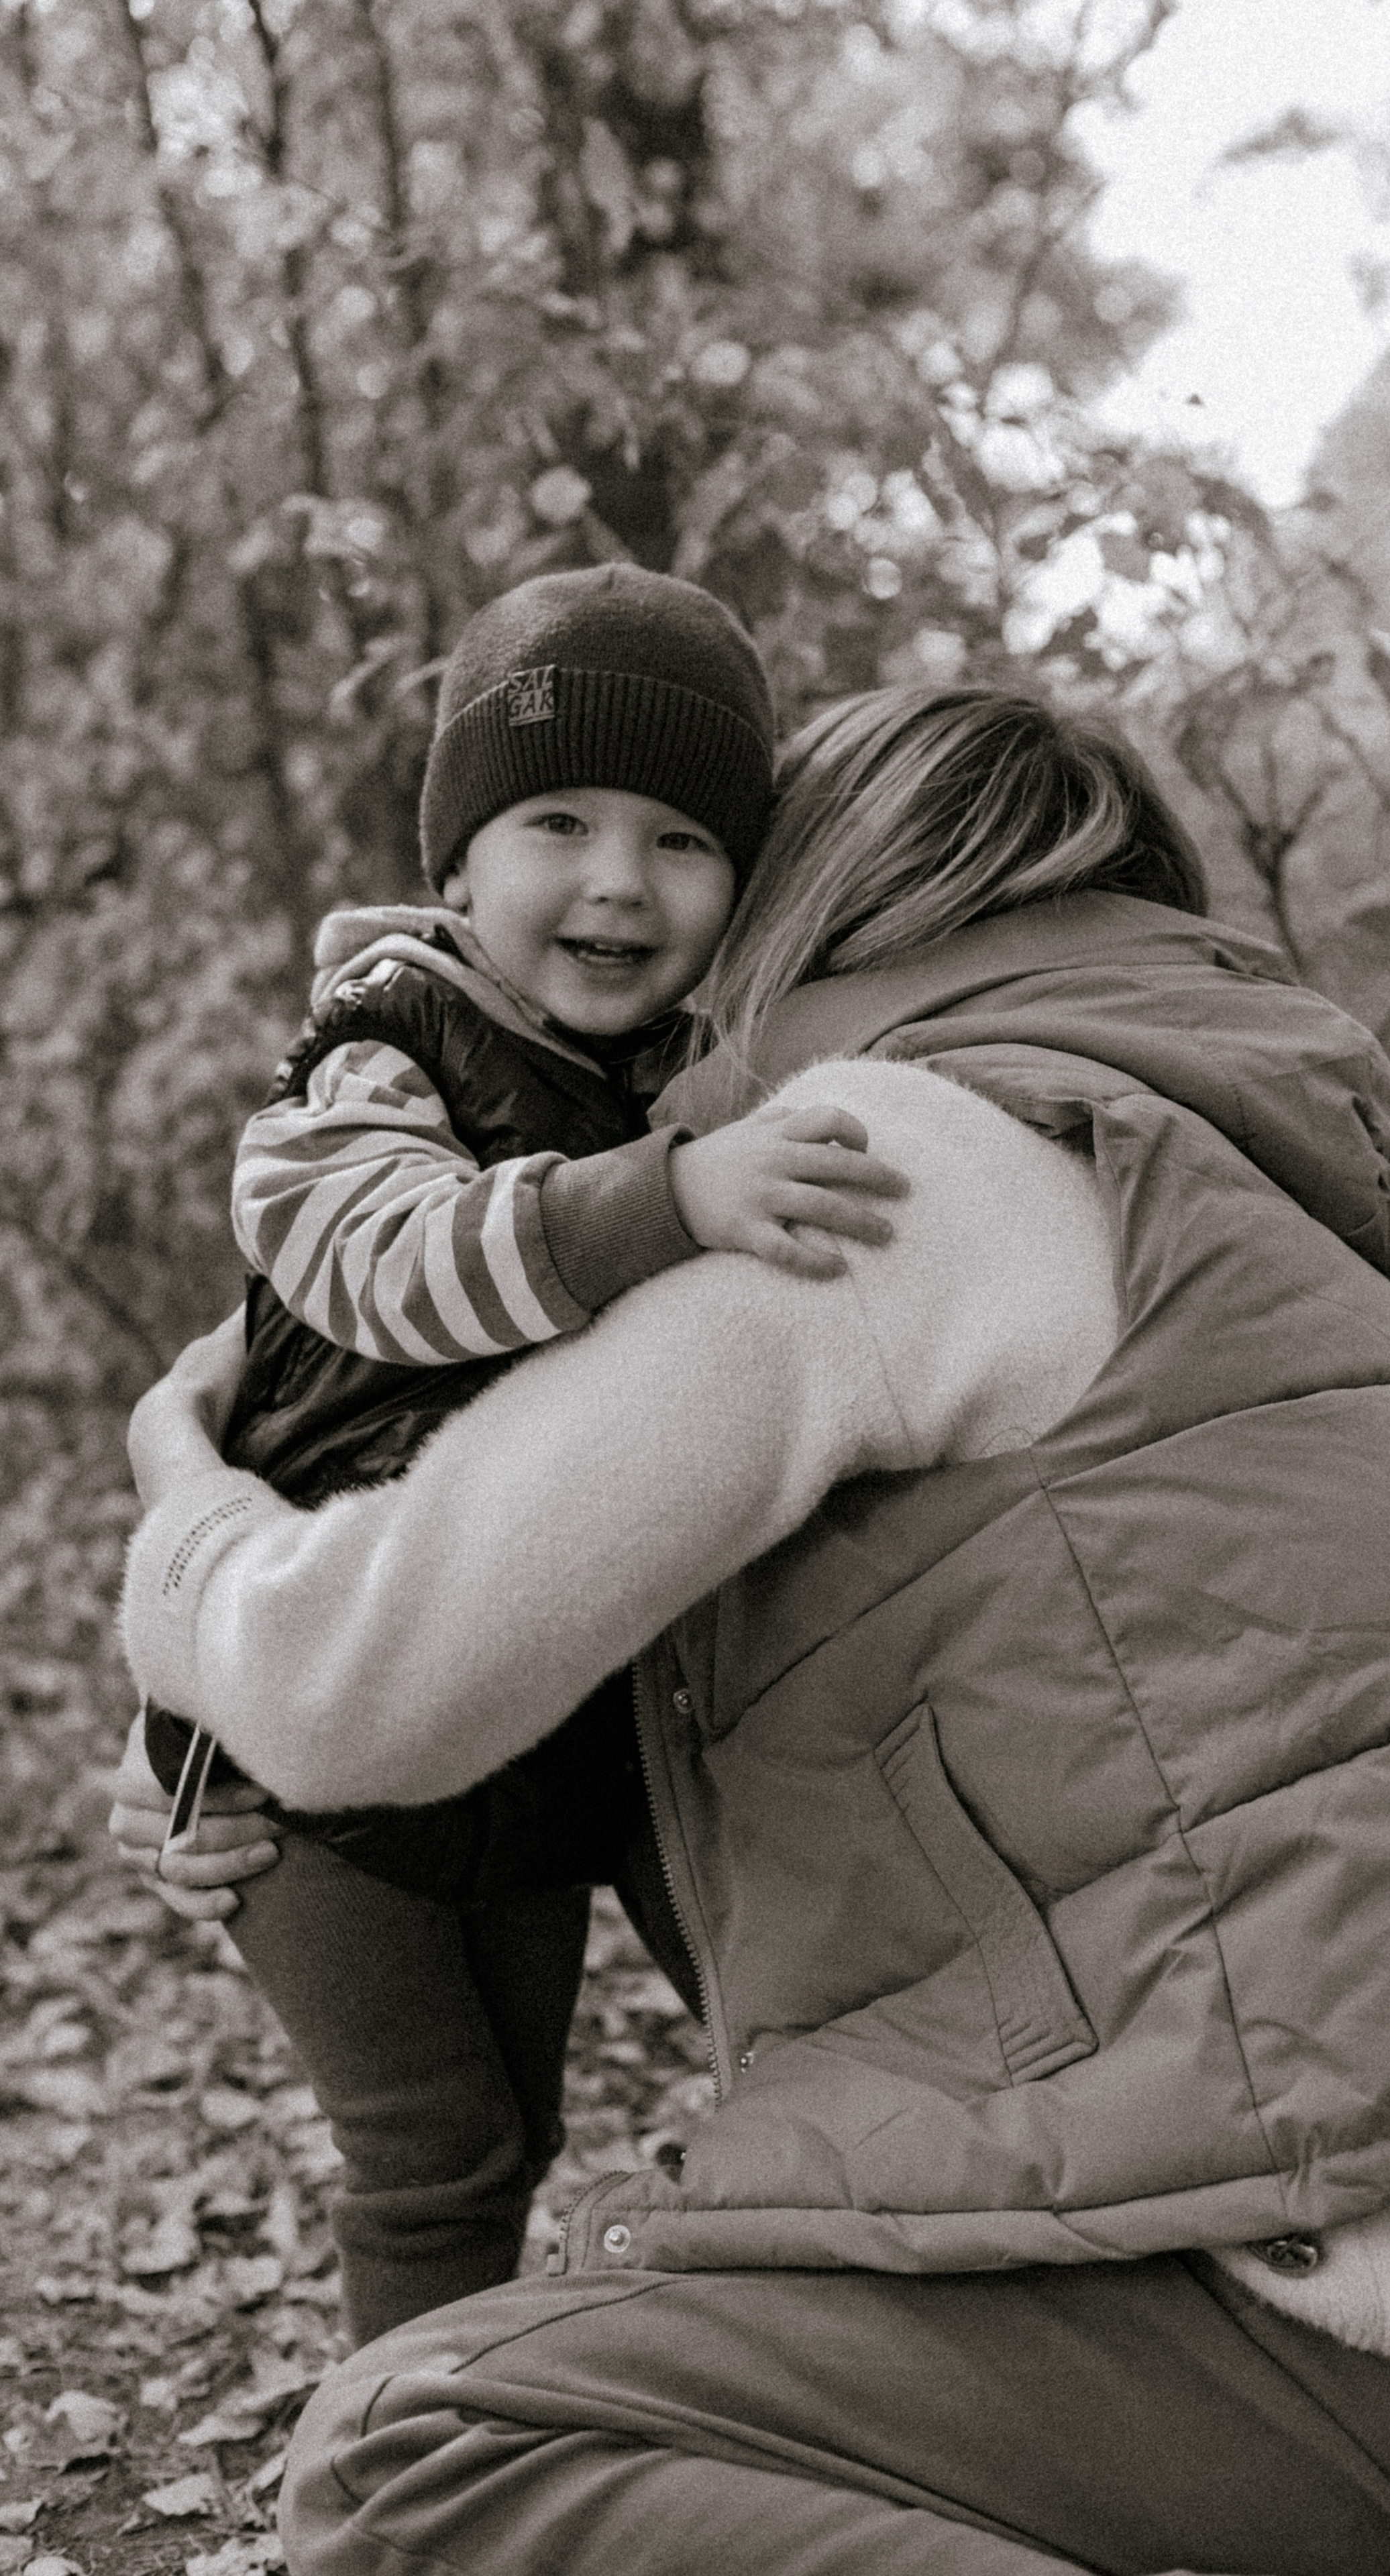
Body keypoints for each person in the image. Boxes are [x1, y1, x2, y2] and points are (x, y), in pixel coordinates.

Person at [112, 685, 1390, 2576]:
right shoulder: (1242, 1221)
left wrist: (179, 1506)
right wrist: (198, 1761)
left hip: (1329, 2315)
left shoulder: (890, 1162)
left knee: (417, 2451)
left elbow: (348, 1677)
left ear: (804, 910)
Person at [130, 566, 906, 2348]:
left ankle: (489, 2429)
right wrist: (668, 1200)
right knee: (434, 2149)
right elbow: (376, 1262)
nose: (620, 879)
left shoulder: (691, 1085)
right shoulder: (374, 1061)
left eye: (681, 841)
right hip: (307, 1755)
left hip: (530, 1732)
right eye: (558, 819)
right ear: (459, 865)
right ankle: (393, 2491)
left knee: (522, 2124)